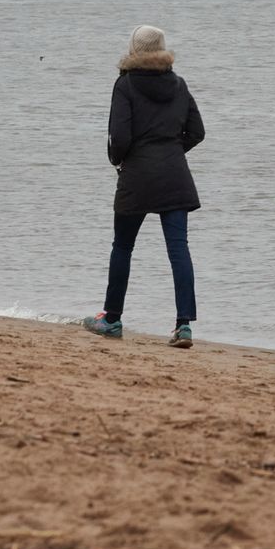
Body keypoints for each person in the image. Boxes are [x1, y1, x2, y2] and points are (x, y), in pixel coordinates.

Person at [85, 25, 205, 347]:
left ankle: (111, 319)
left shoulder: (125, 85)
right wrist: (171, 152)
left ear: (134, 51)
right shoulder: (178, 85)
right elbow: (197, 131)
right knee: (179, 249)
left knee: (123, 246)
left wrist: (118, 161)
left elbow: (119, 138)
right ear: (162, 50)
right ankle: (183, 327)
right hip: (175, 176)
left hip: (136, 176)